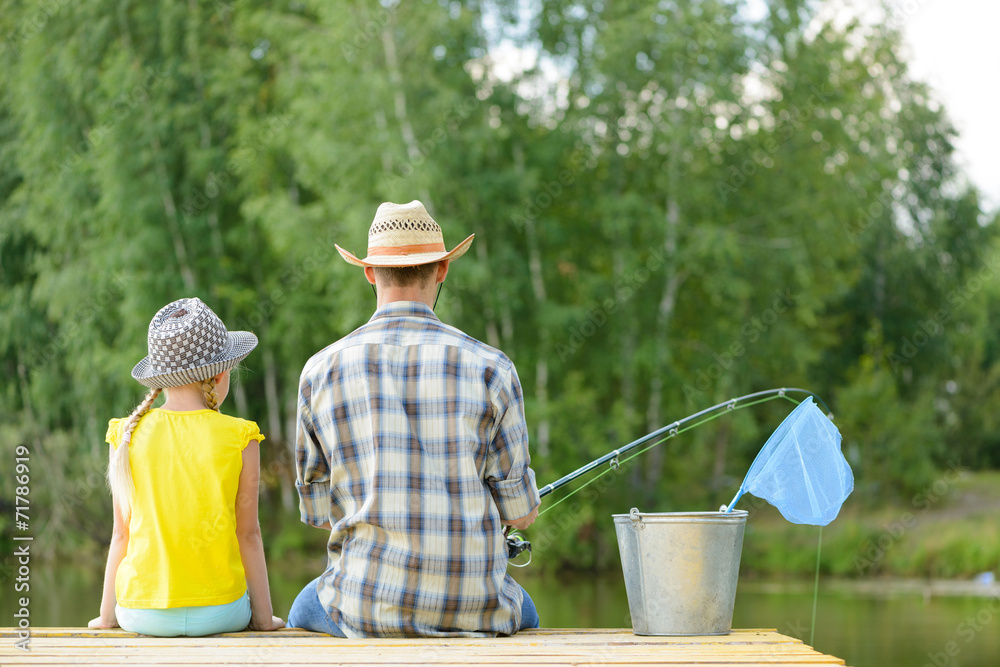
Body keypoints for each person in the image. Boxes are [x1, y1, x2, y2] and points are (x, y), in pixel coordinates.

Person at [289, 200, 541, 638]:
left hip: (363, 608)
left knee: (302, 607)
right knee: (529, 612)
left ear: (369, 272)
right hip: (477, 608)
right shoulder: (492, 368)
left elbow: (318, 513)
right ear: (441, 269)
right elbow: (519, 515)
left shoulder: (319, 371)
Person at [89, 297, 284, 636]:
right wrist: (264, 620)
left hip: (141, 613)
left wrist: (107, 617)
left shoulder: (127, 433)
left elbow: (121, 533)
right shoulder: (241, 436)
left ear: (160, 377)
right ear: (221, 375)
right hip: (222, 613)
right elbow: (248, 534)